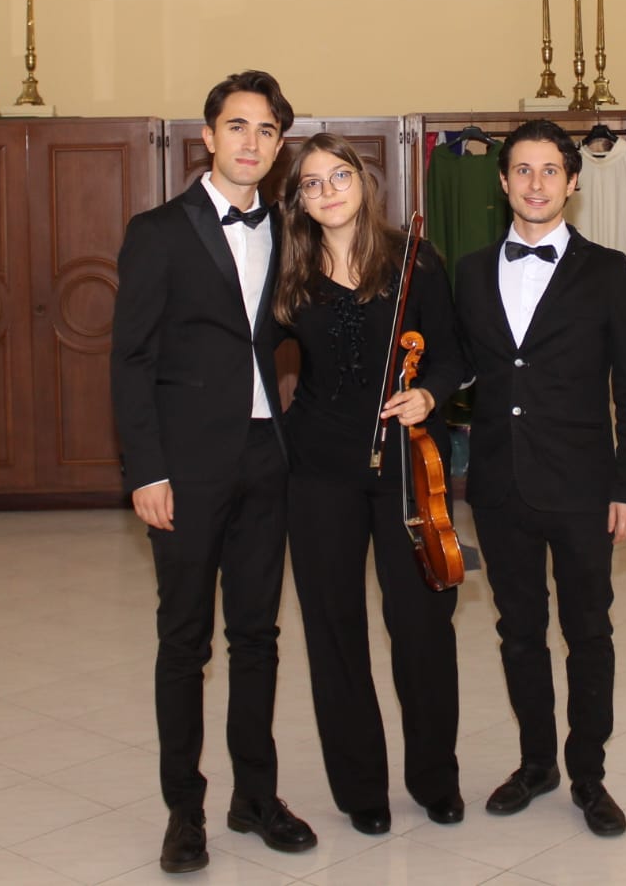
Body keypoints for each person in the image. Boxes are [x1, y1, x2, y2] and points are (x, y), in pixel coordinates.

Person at [110, 71, 317, 874]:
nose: (250, 142)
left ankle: (254, 796)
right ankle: (184, 811)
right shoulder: (158, 231)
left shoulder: (290, 232)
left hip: (268, 459)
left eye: (266, 130)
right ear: (207, 136)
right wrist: (146, 470)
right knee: (184, 641)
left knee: (258, 636)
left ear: (278, 144)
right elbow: (131, 360)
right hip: (186, 469)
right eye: (237, 126)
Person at [453, 119, 626, 837]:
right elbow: (461, 371)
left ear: (572, 183)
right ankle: (536, 762)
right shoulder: (470, 271)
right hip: (499, 485)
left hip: (582, 487)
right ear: (502, 181)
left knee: (588, 631)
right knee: (519, 631)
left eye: (549, 170)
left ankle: (589, 775)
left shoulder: (608, 271)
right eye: (522, 170)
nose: (535, 183)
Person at [271, 134, 467, 837]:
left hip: (406, 466)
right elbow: (249, 356)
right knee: (333, 628)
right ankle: (362, 788)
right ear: (299, 199)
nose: (328, 190)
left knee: (422, 626)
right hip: (318, 468)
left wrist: (430, 393)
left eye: (340, 175)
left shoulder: (414, 258)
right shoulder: (287, 269)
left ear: (363, 181)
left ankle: (435, 778)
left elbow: (452, 354)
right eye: (312, 182)